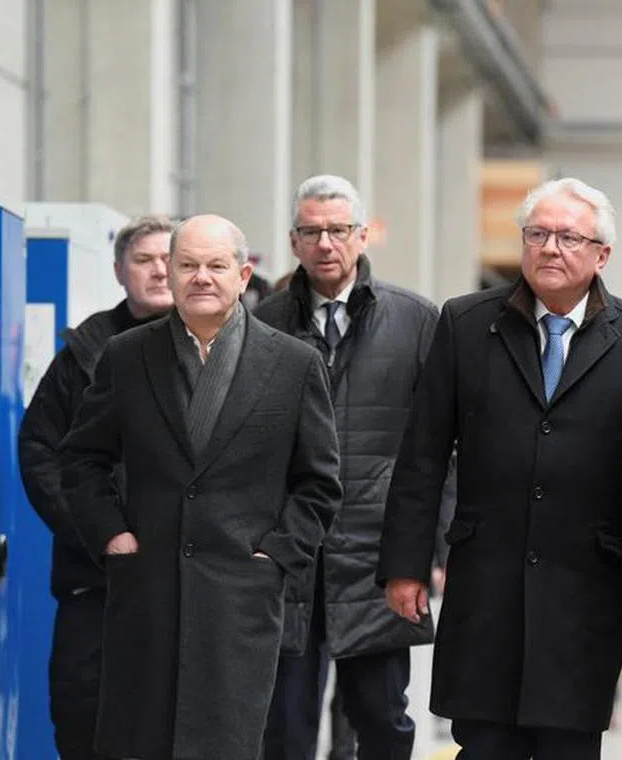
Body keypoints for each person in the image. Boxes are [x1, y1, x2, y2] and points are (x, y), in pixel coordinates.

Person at [378, 178, 622, 760]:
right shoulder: (466, 323)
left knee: (569, 745)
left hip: (588, 586)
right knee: (484, 742)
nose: (550, 248)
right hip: (487, 579)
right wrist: (406, 564)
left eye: (568, 236)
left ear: (601, 254)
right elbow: (423, 453)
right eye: (537, 234)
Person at [59, 214, 342, 760]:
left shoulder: (292, 363)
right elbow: (81, 458)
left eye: (216, 265)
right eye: (187, 265)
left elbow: (319, 484)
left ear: (244, 273)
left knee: (226, 746)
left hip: (241, 597)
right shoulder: (129, 355)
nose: (201, 277)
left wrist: (276, 555)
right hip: (147, 591)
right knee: (135, 744)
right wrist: (112, 534)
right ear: (170, 270)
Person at [255, 174, 449, 760]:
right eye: (311, 231)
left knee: (383, 722)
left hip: (377, 559)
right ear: (293, 241)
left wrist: (434, 548)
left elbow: (444, 445)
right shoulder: (261, 325)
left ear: (363, 236)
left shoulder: (416, 321)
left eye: (338, 230)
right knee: (284, 725)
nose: (325, 244)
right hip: (290, 557)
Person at [18, 215, 174, 759]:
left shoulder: (213, 349)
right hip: (94, 578)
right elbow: (39, 453)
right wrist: (101, 533)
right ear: (118, 271)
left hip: (184, 581)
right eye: (142, 260)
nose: (158, 271)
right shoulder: (81, 354)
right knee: (82, 713)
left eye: (166, 259)